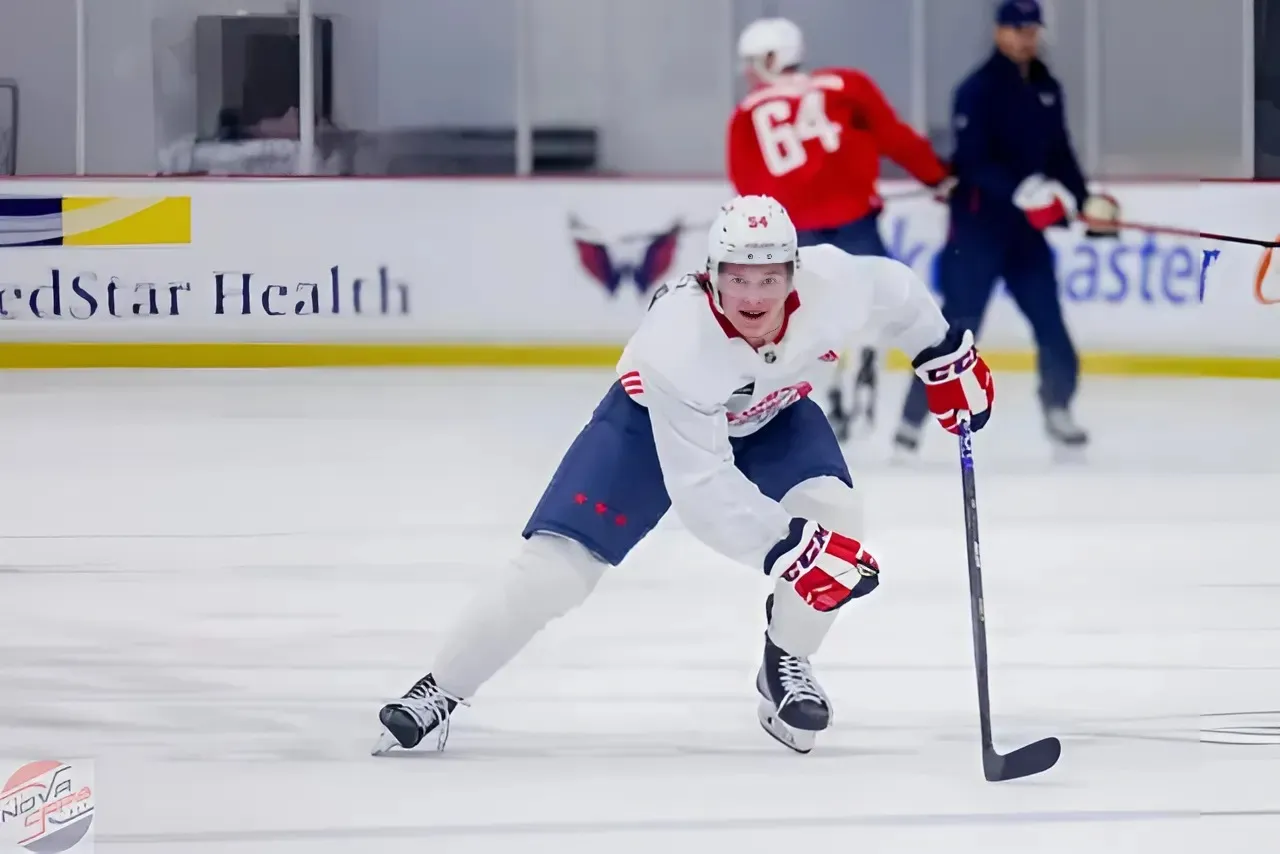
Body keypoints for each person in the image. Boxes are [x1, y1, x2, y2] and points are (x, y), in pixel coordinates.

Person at [371, 195, 995, 757]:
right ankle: (441, 689)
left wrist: (944, 356)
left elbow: (897, 291)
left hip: (774, 415)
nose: (754, 297)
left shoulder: (833, 282)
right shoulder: (679, 340)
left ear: (794, 273)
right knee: (552, 571)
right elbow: (701, 490)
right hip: (652, 425)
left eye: (770, 279)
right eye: (739, 279)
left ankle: (785, 663)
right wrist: (789, 551)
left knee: (839, 518)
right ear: (712, 276)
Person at [893, 0, 1119, 457]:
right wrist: (1021, 190)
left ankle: (1059, 408)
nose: (1025, 37)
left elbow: (1060, 152)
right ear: (999, 32)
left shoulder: (1047, 86)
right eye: (1016, 28)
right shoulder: (976, 90)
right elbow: (972, 161)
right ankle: (911, 421)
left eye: (1032, 28)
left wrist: (1083, 198)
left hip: (1024, 238)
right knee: (955, 329)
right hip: (977, 232)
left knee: (1050, 324)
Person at [726, 17, 954, 442]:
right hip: (854, 218)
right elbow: (894, 137)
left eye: (755, 62)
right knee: (875, 302)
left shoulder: (745, 116)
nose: (749, 73)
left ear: (775, 58)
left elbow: (746, 189)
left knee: (805, 319)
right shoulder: (846, 86)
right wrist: (937, 177)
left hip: (794, 235)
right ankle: (865, 351)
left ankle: (826, 389)